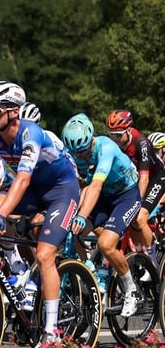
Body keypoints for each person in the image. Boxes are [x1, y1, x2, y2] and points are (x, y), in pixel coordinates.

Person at [0, 81, 80, 348]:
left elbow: (21, 180)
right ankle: (18, 268)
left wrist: (1, 217)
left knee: (44, 255)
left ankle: (50, 334)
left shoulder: (31, 133)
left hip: (61, 190)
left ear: (13, 112)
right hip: (34, 190)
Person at [62, 113, 142, 317]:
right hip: (105, 197)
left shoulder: (106, 148)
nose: (79, 155)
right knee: (72, 231)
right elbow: (81, 186)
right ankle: (95, 272)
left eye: (82, 150)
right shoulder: (74, 153)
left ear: (90, 140)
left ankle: (131, 290)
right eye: (75, 152)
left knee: (106, 243)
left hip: (126, 196)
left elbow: (96, 185)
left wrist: (82, 215)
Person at [106, 109, 165, 261]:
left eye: (118, 135)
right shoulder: (114, 145)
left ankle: (153, 260)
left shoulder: (141, 143)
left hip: (156, 178)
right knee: (127, 219)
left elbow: (144, 178)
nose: (114, 139)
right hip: (137, 179)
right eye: (111, 134)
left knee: (139, 217)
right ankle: (140, 253)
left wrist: (135, 203)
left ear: (128, 130)